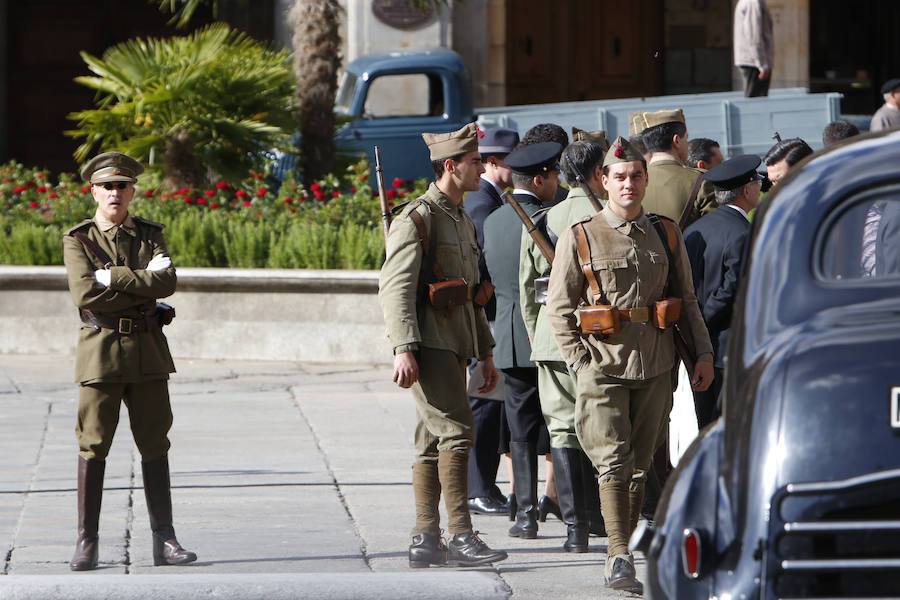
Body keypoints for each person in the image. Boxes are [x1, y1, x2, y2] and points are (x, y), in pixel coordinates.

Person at [546, 137, 714, 593]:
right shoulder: (581, 235)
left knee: (640, 464)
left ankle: (626, 540)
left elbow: (689, 300)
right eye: (618, 176)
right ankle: (618, 554)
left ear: (645, 179)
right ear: (603, 181)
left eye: (636, 175)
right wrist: (581, 363)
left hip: (657, 365)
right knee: (613, 462)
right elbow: (559, 310)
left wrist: (703, 355)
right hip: (602, 365)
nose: (628, 184)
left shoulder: (666, 232)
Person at [378, 122, 508, 568]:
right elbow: (394, 289)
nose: (482, 167)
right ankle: (461, 536)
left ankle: (425, 539)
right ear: (451, 166)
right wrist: (403, 348)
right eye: (475, 162)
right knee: (456, 431)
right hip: (427, 344)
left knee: (431, 441)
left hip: (455, 344)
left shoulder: (460, 218)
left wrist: (486, 352)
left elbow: (472, 292)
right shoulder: (417, 217)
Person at [62, 152, 196, 571]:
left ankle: (165, 539)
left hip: (147, 352)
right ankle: (87, 541)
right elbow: (85, 295)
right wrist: (141, 283)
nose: (115, 193)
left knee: (155, 443)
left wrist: (112, 278)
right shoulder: (79, 239)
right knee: (94, 445)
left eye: (122, 185)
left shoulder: (150, 235)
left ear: (132, 190)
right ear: (94, 191)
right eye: (107, 186)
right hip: (100, 352)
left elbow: (168, 281)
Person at [519, 138, 609, 553]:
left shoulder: (544, 217)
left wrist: (538, 335)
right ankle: (602, 521)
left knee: (561, 429)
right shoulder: (604, 217)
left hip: (551, 341)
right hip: (599, 337)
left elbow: (528, 289)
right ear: (596, 174)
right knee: (602, 428)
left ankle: (575, 532)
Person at [483, 141, 562, 540]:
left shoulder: (494, 221)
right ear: (539, 179)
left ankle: (525, 514)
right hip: (550, 336)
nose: (558, 182)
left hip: (511, 339)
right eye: (554, 175)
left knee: (521, 429)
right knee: (563, 424)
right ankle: (572, 511)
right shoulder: (551, 219)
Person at [462, 127, 520, 516]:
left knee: (491, 402)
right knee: (484, 402)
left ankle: (484, 487)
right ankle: (477, 488)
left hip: (492, 314)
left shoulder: (492, 199)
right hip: (488, 315)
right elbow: (490, 265)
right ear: (495, 163)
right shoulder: (483, 205)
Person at [683, 155, 763, 427]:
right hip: (729, 345)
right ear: (747, 190)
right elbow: (734, 290)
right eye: (757, 183)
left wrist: (696, 325)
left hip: (699, 347)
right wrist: (705, 320)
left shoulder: (695, 230)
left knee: (707, 424)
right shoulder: (742, 232)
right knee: (733, 426)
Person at [635, 109, 718, 229]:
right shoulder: (702, 180)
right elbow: (713, 230)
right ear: (677, 140)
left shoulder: (632, 183)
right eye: (686, 139)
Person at [734, 0, 774, 97]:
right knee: (755, 103)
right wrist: (762, 64)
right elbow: (753, 36)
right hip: (753, 62)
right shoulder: (753, 3)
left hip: (752, 60)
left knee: (755, 101)